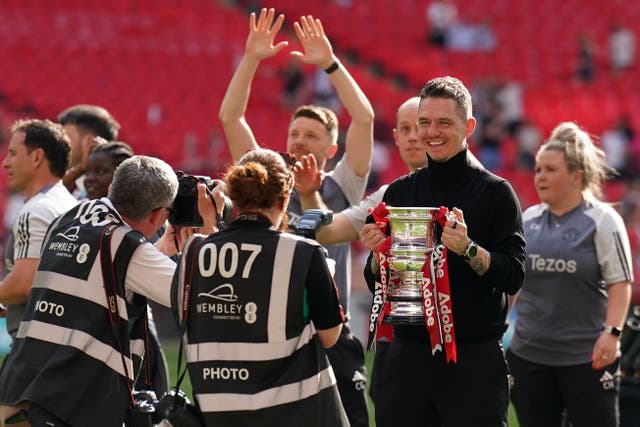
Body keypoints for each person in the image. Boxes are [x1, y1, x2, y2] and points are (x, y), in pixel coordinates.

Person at [218, 8, 374, 426]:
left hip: (330, 330)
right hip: (275, 330)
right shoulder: (269, 183)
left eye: (312, 136)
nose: (299, 140)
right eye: (294, 133)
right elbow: (231, 118)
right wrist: (251, 58)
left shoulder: (344, 185)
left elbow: (364, 118)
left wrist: (330, 64)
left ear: (330, 150)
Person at [0, 155, 217, 426]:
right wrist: (210, 238)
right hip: (69, 401)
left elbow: (108, 274)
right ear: (157, 215)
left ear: (113, 188)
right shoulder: (128, 248)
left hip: (19, 388)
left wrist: (161, 248)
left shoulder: (69, 217)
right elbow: (200, 295)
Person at [359, 76, 526, 427]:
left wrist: (467, 249)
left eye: (444, 123)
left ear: (468, 126)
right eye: (425, 123)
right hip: (407, 356)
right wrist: (377, 257)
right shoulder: (399, 193)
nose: (432, 132)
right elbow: (383, 284)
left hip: (472, 357)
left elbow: (513, 275)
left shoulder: (496, 193)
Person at [172, 148, 348, 426]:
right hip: (300, 414)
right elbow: (330, 336)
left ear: (233, 197)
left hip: (220, 414)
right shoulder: (303, 253)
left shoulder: (193, 251)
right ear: (285, 197)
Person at [506, 122, 633, 427]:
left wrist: (612, 333)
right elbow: (514, 283)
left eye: (550, 169)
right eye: (538, 169)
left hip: (586, 358)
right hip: (529, 357)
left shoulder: (603, 220)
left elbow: (620, 282)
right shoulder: (528, 218)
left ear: (577, 176)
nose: (540, 176)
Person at [0, 119, 79, 345]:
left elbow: (23, 285)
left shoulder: (34, 210)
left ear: (36, 158)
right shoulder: (71, 204)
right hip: (66, 342)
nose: (6, 163)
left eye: (13, 154)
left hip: (34, 348)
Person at [57, 104, 121, 198]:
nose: (59, 144)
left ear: (89, 142)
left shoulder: (108, 193)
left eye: (66, 137)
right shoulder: (72, 185)